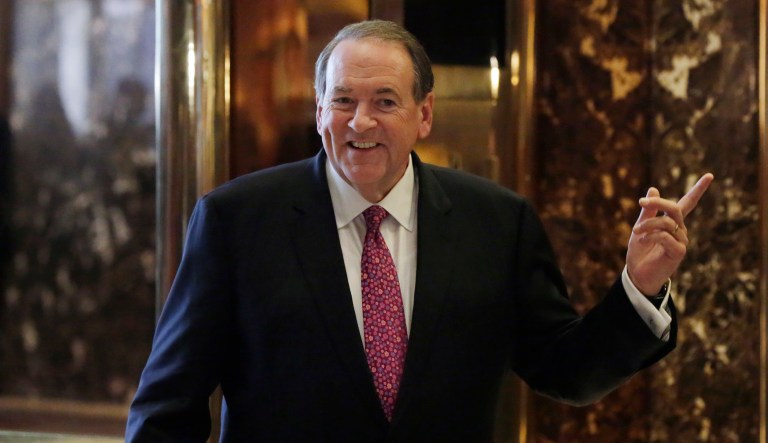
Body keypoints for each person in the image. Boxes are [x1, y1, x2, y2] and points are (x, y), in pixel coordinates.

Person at [126, 20, 714, 442]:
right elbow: (168, 404)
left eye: (385, 100)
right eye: (343, 100)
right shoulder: (236, 220)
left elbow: (567, 373)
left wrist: (638, 286)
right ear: (318, 110)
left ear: (424, 114)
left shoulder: (498, 222)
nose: (361, 121)